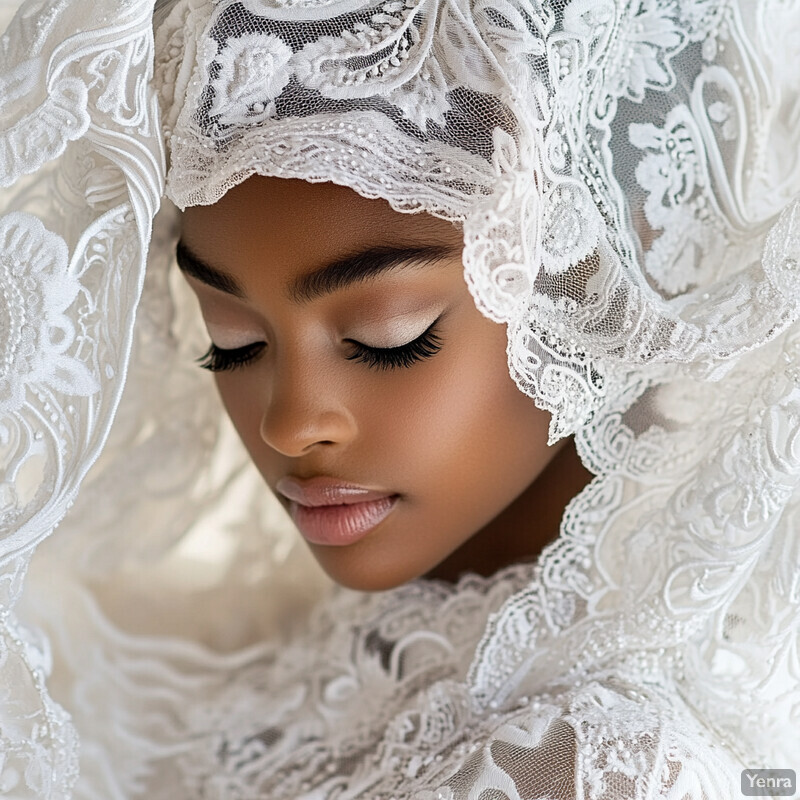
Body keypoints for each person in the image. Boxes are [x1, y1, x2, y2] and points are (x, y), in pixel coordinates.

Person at [1, 0, 799, 797]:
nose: (290, 423)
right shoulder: (247, 649)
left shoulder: (591, 768)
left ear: (598, 272)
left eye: (391, 337)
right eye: (233, 339)